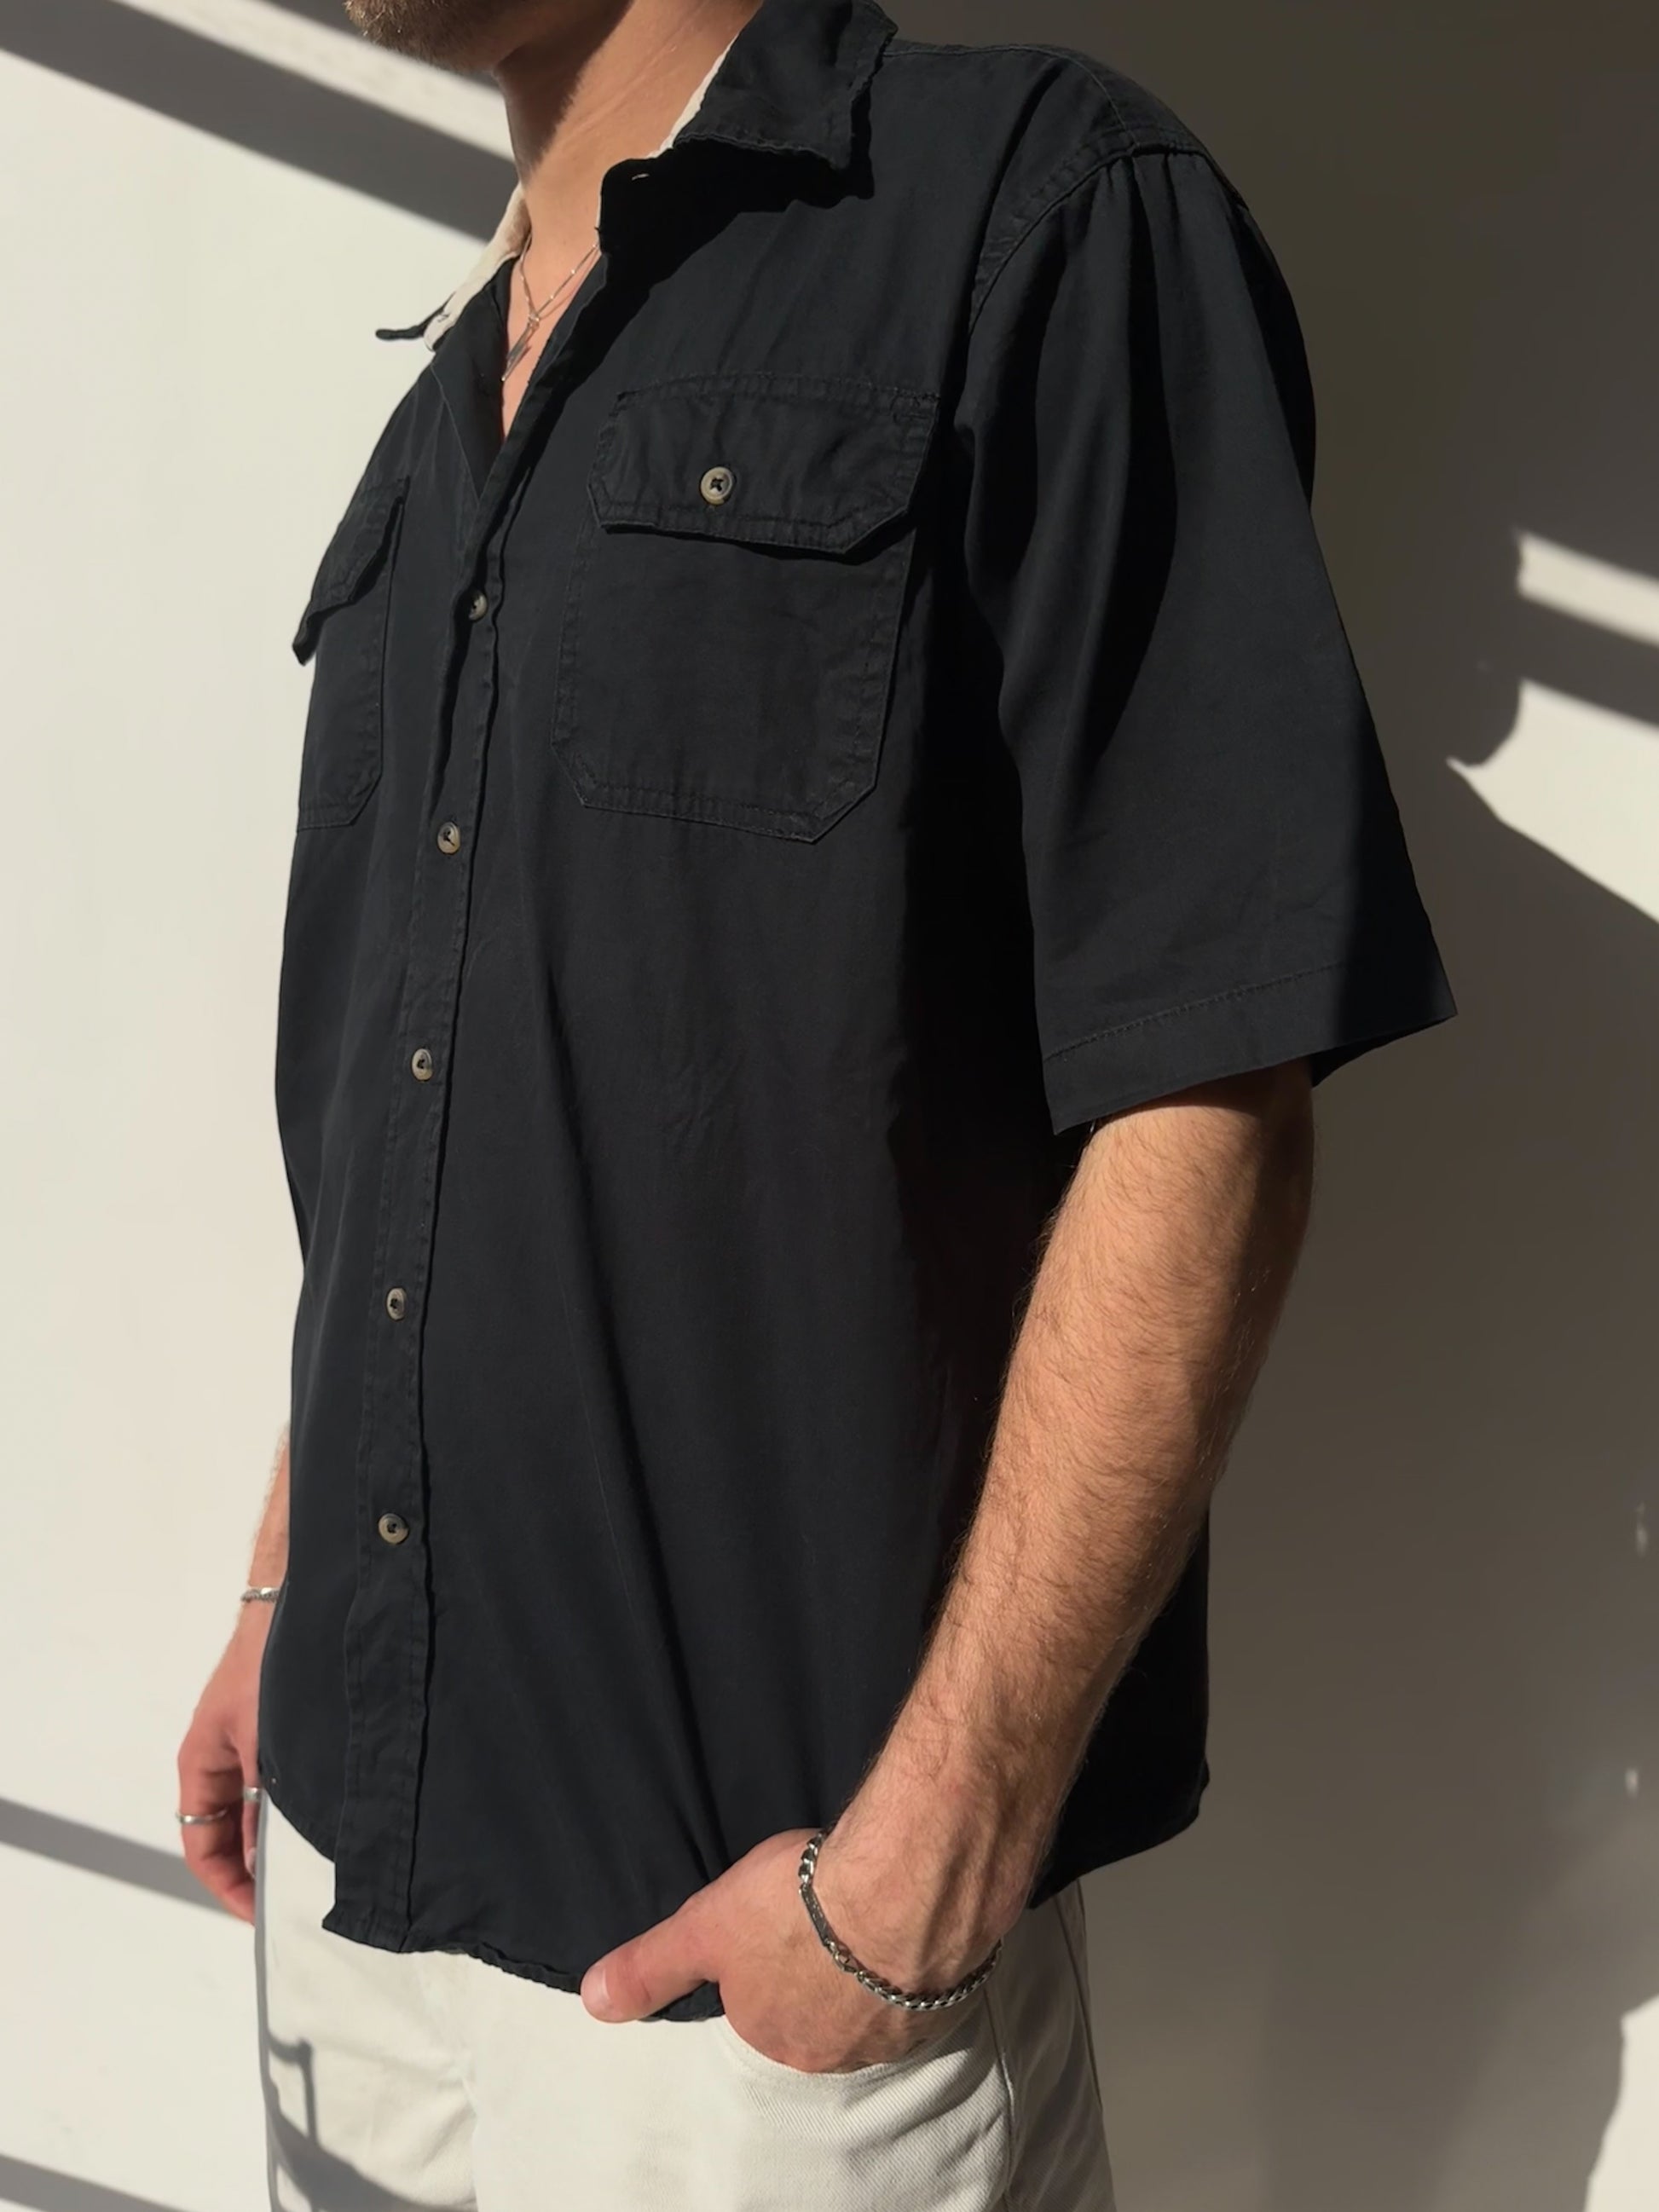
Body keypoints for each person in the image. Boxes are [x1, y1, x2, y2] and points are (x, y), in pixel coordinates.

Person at [176, 0, 1456, 2203]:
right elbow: (428, 1085)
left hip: (750, 1961)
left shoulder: (1028, 203)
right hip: (357, 1862)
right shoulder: (448, 401)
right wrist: (284, 1595)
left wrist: (917, 1870)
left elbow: (1209, 1063)